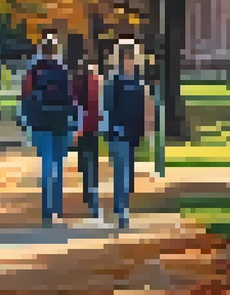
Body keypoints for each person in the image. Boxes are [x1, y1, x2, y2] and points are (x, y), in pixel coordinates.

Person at [19, 42, 81, 227]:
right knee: (58, 166)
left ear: (41, 52)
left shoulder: (33, 72)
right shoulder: (64, 72)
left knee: (46, 165)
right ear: (56, 52)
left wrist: (27, 122)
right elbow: (72, 99)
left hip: (41, 123)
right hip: (61, 123)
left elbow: (25, 98)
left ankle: (47, 209)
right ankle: (57, 208)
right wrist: (74, 122)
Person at [104, 44, 149, 230]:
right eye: (125, 57)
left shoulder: (138, 82)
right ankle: (122, 210)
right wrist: (112, 129)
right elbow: (107, 108)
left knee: (127, 174)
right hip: (118, 133)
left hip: (133, 133)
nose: (128, 61)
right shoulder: (114, 81)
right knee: (121, 172)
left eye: (130, 57)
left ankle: (121, 205)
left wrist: (146, 128)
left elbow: (144, 107)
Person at [71, 39, 104, 223]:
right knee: (93, 161)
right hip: (94, 127)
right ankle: (92, 194)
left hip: (81, 127)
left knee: (84, 161)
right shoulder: (96, 81)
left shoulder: (75, 84)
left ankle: (88, 191)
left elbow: (73, 105)